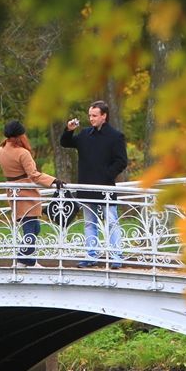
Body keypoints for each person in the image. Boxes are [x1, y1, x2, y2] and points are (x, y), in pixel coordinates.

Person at [0, 120, 64, 267]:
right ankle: (24, 260)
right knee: (31, 226)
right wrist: (54, 181)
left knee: (32, 226)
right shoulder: (23, 153)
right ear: (19, 136)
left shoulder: (1, 151)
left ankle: (28, 260)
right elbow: (34, 175)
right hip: (27, 192)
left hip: (13, 192)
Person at [60, 100, 128, 268]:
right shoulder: (84, 135)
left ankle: (116, 256)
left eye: (95, 115)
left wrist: (106, 175)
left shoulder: (115, 136)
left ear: (104, 116)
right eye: (90, 115)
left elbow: (121, 161)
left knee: (111, 222)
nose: (91, 119)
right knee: (90, 223)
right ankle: (91, 255)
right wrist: (69, 130)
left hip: (105, 188)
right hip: (86, 187)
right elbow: (65, 143)